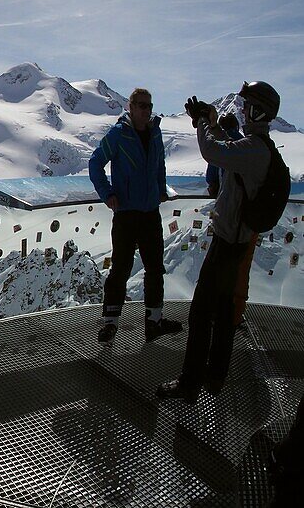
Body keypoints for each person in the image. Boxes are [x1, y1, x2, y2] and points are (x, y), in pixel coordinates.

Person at [158, 81, 282, 403]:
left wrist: (203, 124)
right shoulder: (256, 147)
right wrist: (211, 122)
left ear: (258, 111)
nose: (241, 110)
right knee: (224, 313)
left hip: (228, 243)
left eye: (246, 106)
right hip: (236, 241)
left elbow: (213, 151)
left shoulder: (254, 150)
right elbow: (228, 148)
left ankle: (189, 384)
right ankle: (215, 378)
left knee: (200, 314)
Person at [89, 88, 182, 344]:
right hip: (126, 213)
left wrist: (161, 189)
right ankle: (110, 325)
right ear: (130, 106)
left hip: (150, 213)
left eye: (149, 105)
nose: (145, 110)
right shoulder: (119, 134)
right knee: (120, 270)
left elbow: (160, 162)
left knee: (154, 269)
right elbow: (95, 162)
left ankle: (154, 323)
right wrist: (106, 193)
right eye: (141, 105)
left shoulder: (155, 132)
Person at [205, 112, 259, 327]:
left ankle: (214, 313)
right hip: (247, 221)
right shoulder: (249, 146)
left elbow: (211, 177)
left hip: (226, 221)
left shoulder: (223, 148)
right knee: (240, 270)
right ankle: (235, 316)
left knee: (218, 268)